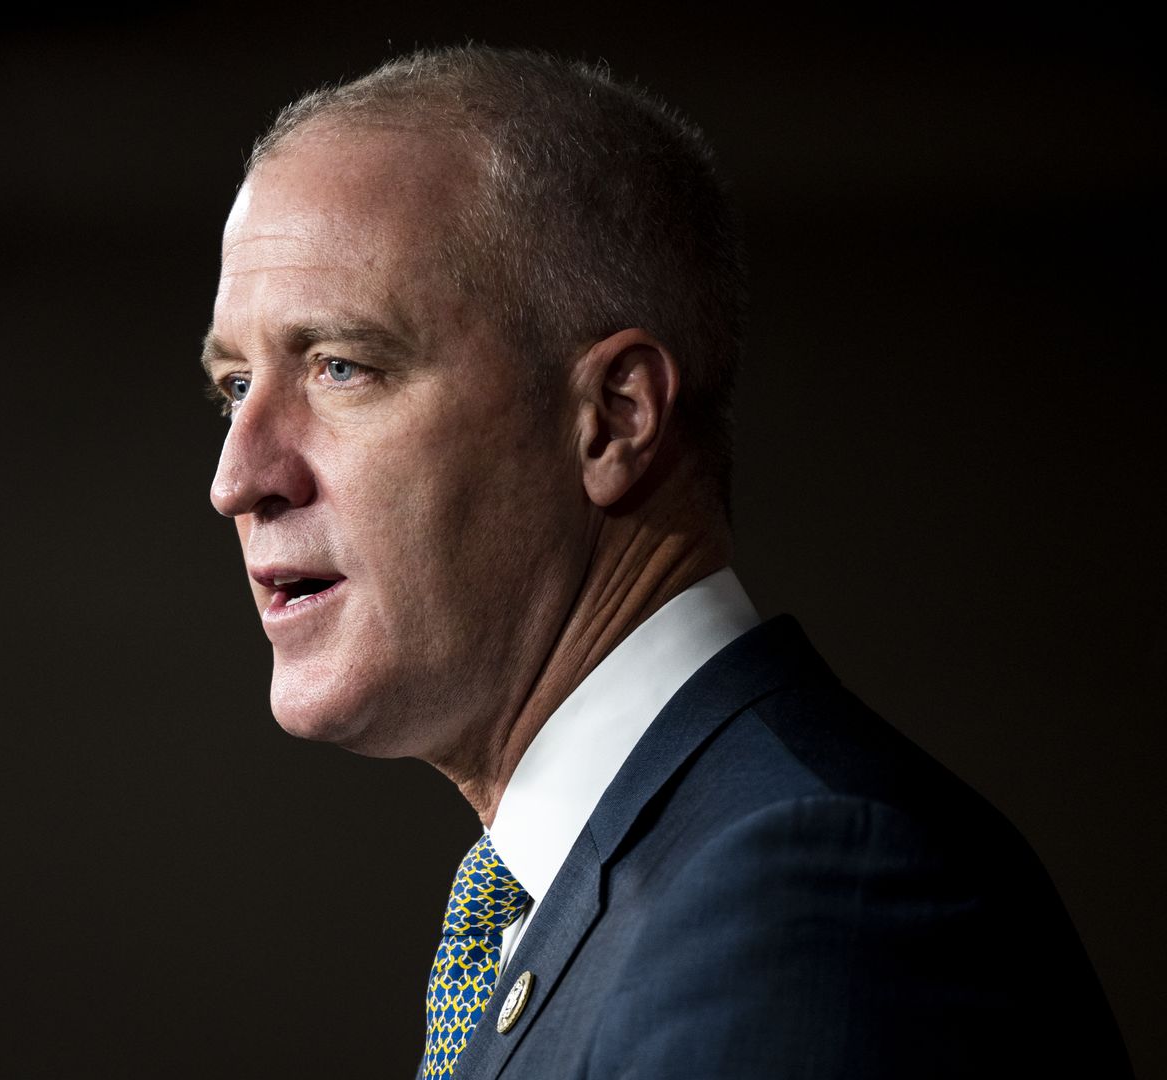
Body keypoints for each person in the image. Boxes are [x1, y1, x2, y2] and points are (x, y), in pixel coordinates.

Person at [200, 46, 1130, 1079]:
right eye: (235, 387)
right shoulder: (613, 888)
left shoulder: (800, 894)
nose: (239, 479)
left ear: (613, 418)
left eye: (341, 367)